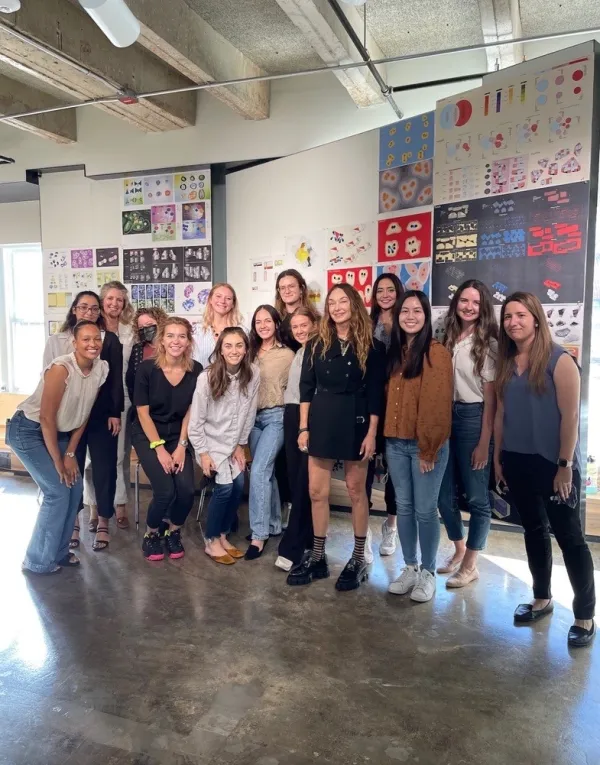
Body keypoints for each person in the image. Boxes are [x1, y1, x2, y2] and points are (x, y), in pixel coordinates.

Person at [494, 292, 595, 647]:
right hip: (517, 460)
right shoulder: (507, 362)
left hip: (555, 465)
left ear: (536, 318)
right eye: (507, 317)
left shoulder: (560, 360)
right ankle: (542, 598)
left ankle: (585, 615)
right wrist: (497, 458)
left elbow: (570, 419)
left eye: (520, 315)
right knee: (533, 531)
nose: (513, 322)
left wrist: (565, 466)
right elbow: (501, 415)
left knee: (570, 539)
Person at [287, 284, 386, 591]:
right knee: (317, 492)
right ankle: (317, 556)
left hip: (357, 421)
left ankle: (357, 558)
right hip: (323, 419)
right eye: (332, 302)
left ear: (354, 304)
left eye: (343, 301)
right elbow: (306, 389)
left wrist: (372, 434)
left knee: (357, 491)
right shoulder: (316, 343)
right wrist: (304, 427)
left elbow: (374, 396)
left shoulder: (373, 346)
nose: (337, 307)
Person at [6, 321, 108, 574]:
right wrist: (59, 461)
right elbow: (46, 419)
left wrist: (71, 453)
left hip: (62, 432)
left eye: (96, 339)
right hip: (29, 430)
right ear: (74, 343)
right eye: (85, 339)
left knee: (73, 492)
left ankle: (60, 552)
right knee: (57, 492)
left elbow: (83, 414)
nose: (92, 344)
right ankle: (37, 560)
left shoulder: (101, 369)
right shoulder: (61, 369)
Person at [384, 290, 453, 603]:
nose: (410, 316)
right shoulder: (395, 353)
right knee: (406, 507)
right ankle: (410, 567)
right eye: (404, 311)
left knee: (426, 510)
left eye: (417, 311)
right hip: (395, 443)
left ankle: (428, 572)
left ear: (426, 316)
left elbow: (437, 405)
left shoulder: (435, 352)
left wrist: (429, 449)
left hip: (424, 445)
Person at [43, 290, 124, 552]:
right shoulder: (58, 340)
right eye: (83, 307)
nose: (88, 312)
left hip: (101, 415)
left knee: (105, 468)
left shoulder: (108, 340)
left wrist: (115, 412)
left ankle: (103, 520)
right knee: (72, 468)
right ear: (74, 309)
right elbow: (48, 378)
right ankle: (74, 523)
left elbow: (113, 381)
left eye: (93, 308)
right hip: (68, 415)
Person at [437, 280, 498, 587]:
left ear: (483, 306)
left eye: (475, 302)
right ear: (456, 302)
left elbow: (491, 398)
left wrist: (484, 442)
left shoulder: (487, 342)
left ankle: (471, 564)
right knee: (442, 494)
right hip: (445, 416)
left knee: (476, 496)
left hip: (473, 417)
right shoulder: (447, 335)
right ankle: (459, 549)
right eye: (464, 300)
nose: (469, 307)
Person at [133, 318, 202, 561]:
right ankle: (151, 534)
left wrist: (182, 445)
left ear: (188, 341)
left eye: (181, 336)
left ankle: (173, 531)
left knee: (185, 490)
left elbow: (192, 410)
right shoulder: (147, 369)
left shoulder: (196, 370)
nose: (176, 341)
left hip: (178, 435)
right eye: (170, 335)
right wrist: (159, 448)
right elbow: (142, 412)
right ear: (161, 340)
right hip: (148, 433)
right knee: (165, 490)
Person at [189, 328, 260, 564]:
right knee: (226, 487)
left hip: (232, 443)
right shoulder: (206, 377)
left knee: (239, 484)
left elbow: (249, 413)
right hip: (207, 443)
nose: (234, 351)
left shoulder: (252, 374)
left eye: (239, 345)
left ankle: (222, 535)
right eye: (228, 346)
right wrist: (204, 453)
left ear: (246, 349)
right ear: (220, 350)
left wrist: (241, 444)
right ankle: (210, 540)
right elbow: (195, 422)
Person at [245, 305, 295, 560]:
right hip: (252, 419)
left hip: (277, 416)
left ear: (277, 324)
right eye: (258, 321)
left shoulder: (287, 354)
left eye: (268, 320)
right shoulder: (248, 353)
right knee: (269, 473)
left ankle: (258, 534)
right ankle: (274, 524)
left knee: (260, 470)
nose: (263, 325)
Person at [85, 281, 135, 530]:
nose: (115, 304)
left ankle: (120, 504)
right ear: (102, 300)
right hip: (94, 398)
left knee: (119, 456)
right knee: (92, 459)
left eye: (120, 300)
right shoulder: (93, 329)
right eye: (110, 299)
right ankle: (94, 506)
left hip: (123, 397)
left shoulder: (130, 329)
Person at [275, 306, 320, 572]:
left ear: (315, 324)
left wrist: (306, 426)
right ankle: (309, 538)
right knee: (295, 478)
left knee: (305, 479)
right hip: (291, 414)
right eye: (296, 327)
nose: (301, 330)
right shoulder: (301, 351)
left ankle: (293, 544)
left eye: (305, 325)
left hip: (308, 418)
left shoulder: (319, 350)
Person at [366, 272, 404, 556]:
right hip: (371, 401)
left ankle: (391, 525)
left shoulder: (406, 322)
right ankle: (362, 526)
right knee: (365, 463)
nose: (386, 294)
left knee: (394, 467)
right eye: (381, 290)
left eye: (391, 289)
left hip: (398, 402)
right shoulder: (368, 324)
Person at [192, 283, 247, 368]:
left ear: (233, 304)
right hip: (202, 379)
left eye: (228, 298)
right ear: (210, 299)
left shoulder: (242, 330)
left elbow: (246, 361)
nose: (222, 301)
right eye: (218, 296)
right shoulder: (197, 330)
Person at [126, 307, 169, 401]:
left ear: (161, 324)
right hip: (143, 405)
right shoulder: (137, 349)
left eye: (149, 325)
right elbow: (131, 381)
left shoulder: (172, 347)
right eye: (141, 327)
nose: (145, 329)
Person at [275, 269, 314, 352]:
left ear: (301, 289)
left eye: (291, 286)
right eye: (282, 288)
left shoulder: (315, 318)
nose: (287, 291)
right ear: (279, 291)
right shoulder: (275, 320)